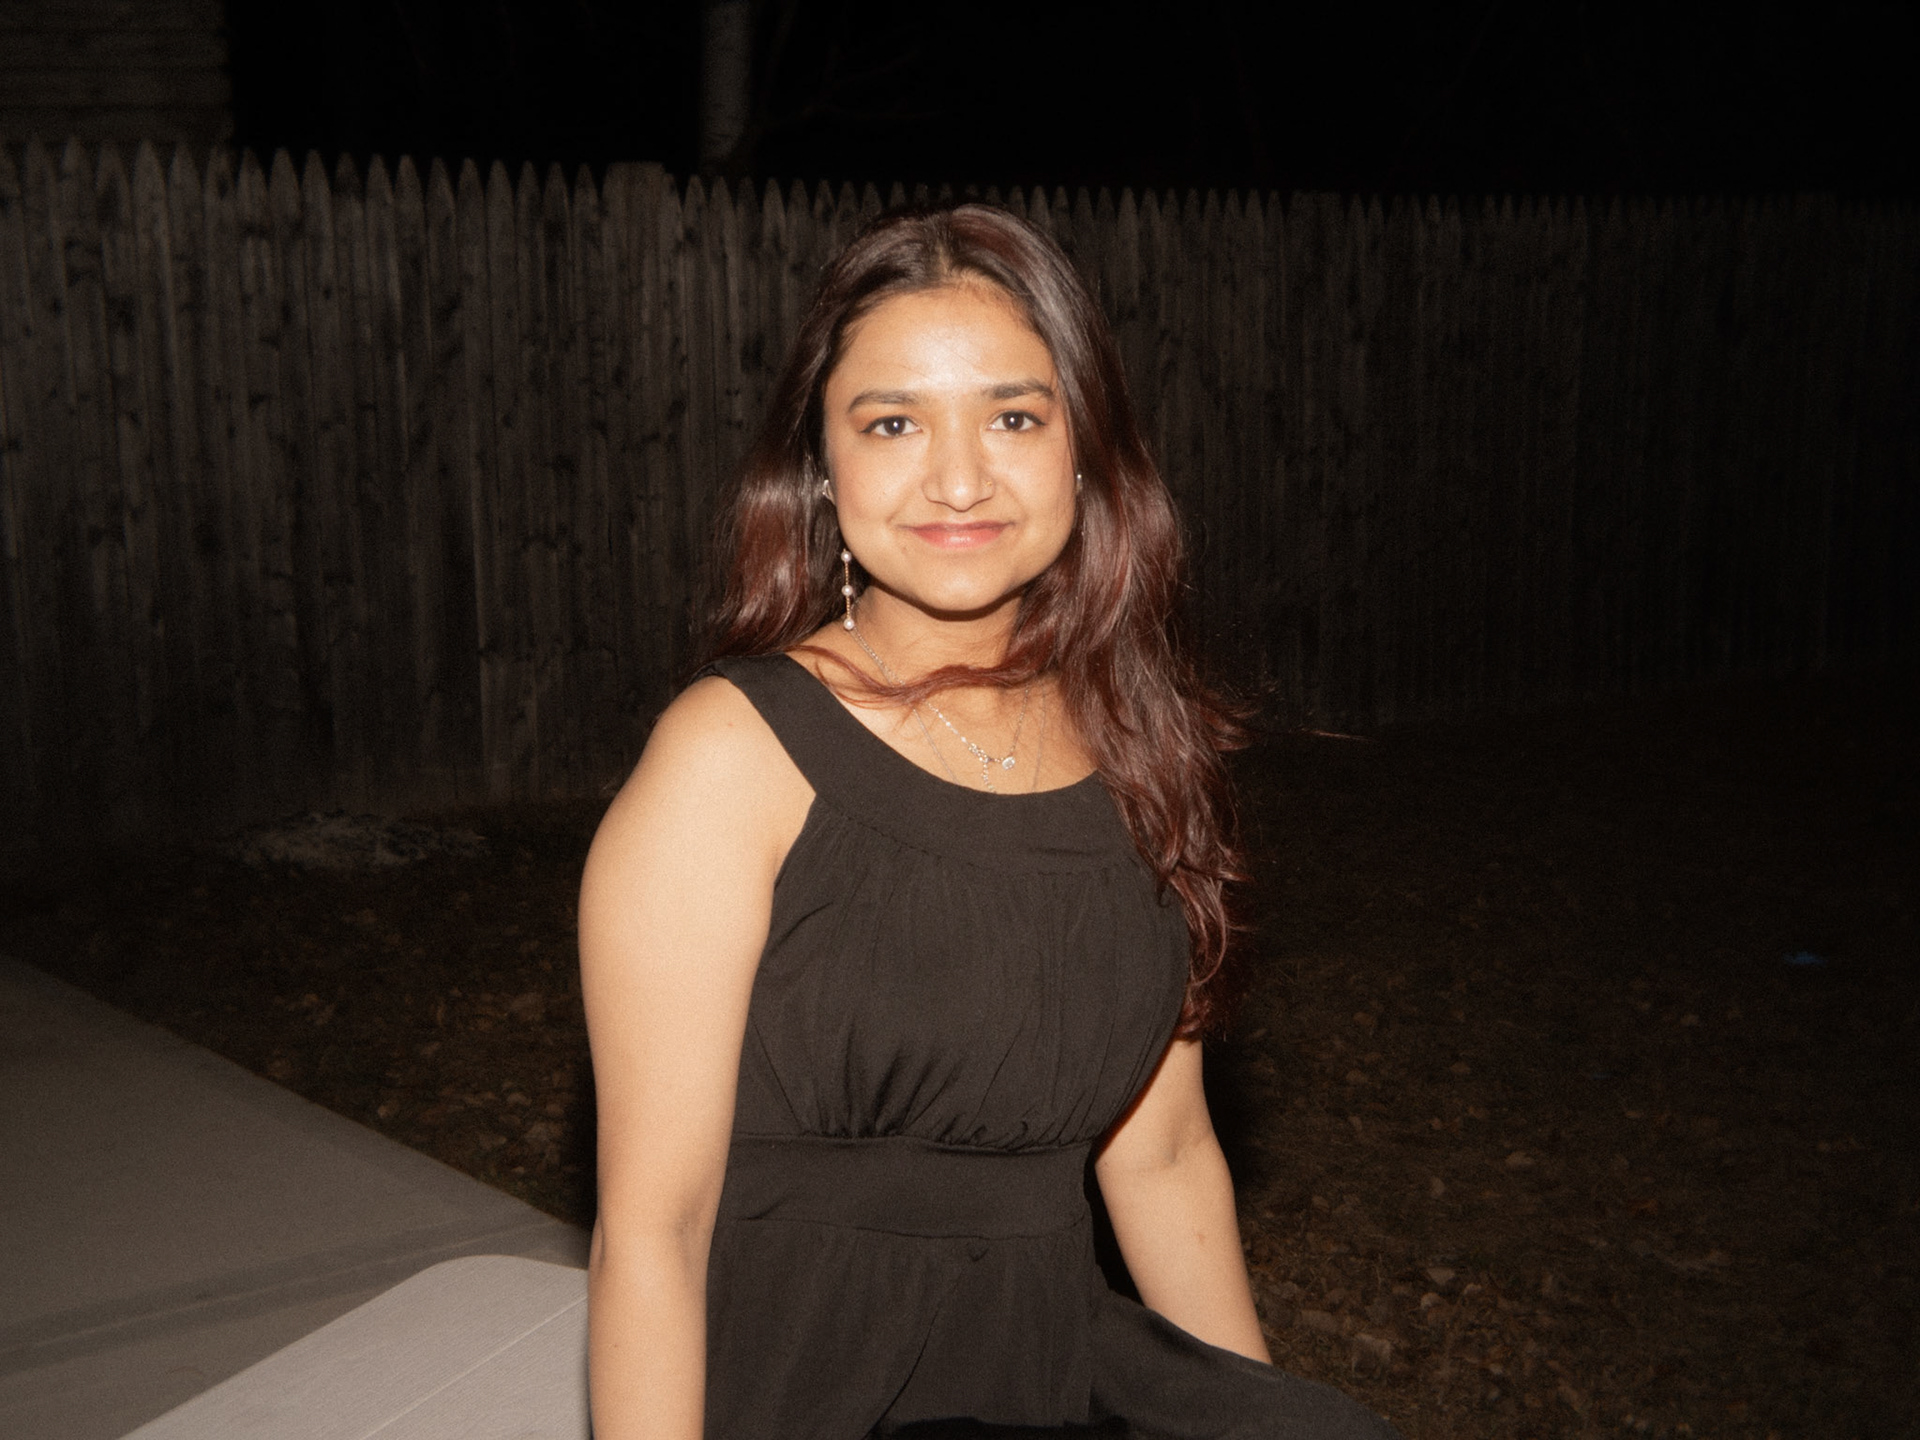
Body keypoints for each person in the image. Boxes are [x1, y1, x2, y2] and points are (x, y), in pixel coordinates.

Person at [579, 203, 1399, 1439]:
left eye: (1014, 417)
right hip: (798, 1381)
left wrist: (1247, 1415)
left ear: (1084, 450)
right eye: (893, 422)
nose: (959, 479)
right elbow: (654, 1228)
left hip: (1041, 1367)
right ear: (821, 465)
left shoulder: (1140, 746)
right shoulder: (730, 759)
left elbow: (1164, 1156)